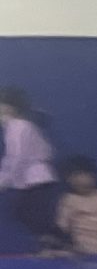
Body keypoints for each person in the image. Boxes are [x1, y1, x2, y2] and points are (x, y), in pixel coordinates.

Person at [0, 87, 64, 254]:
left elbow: (16, 156)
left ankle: (58, 242)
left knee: (31, 213)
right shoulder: (21, 126)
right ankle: (53, 243)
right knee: (26, 213)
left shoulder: (17, 126)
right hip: (37, 178)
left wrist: (4, 180)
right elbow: (47, 150)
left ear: (8, 107)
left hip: (37, 179)